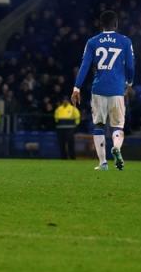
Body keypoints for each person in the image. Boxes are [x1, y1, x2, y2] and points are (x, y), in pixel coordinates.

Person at [71, 10, 135, 170]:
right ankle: (116, 148)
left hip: (98, 89)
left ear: (101, 25)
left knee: (98, 126)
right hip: (117, 90)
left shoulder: (92, 41)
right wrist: (130, 82)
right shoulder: (125, 41)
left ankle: (103, 163)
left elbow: (85, 66)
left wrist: (76, 87)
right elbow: (130, 66)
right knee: (118, 126)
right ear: (116, 24)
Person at [53, 96, 80, 160]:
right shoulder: (59, 109)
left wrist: (75, 125)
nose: (65, 101)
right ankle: (63, 158)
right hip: (60, 129)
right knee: (61, 144)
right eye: (64, 100)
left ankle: (72, 158)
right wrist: (58, 124)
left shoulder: (73, 108)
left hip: (70, 128)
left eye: (66, 100)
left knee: (70, 143)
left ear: (68, 101)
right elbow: (56, 118)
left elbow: (77, 117)